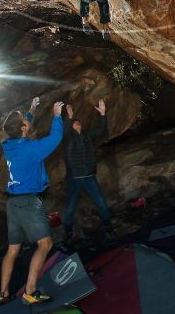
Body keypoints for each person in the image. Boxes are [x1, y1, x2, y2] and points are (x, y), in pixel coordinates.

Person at [0, 100, 64, 306]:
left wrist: (32, 109)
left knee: (12, 249)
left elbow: (22, 123)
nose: (25, 121)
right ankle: (30, 291)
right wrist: (57, 116)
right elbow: (56, 137)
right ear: (23, 128)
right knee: (45, 244)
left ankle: (3, 293)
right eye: (23, 120)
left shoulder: (9, 145)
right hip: (28, 201)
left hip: (13, 203)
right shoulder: (31, 150)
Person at [62, 99, 115, 243]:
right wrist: (70, 116)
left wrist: (103, 114)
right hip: (74, 178)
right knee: (70, 207)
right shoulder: (67, 138)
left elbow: (100, 130)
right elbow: (65, 130)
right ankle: (67, 232)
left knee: (101, 202)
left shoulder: (87, 136)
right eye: (75, 122)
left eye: (79, 121)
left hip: (89, 176)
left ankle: (108, 227)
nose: (78, 122)